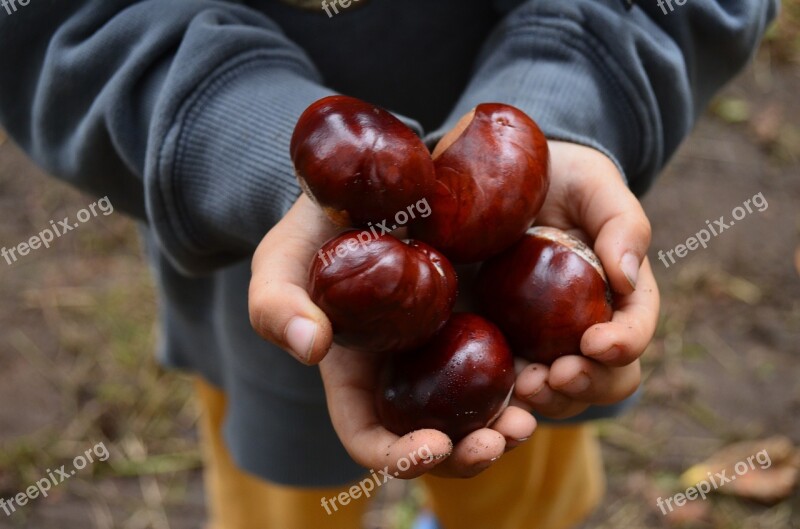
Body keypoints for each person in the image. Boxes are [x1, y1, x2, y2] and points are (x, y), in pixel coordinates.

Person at [0, 1, 777, 528]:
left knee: (521, 485)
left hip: (513, 327)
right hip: (254, 277)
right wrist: (231, 131)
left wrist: (577, 83)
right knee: (280, 493)